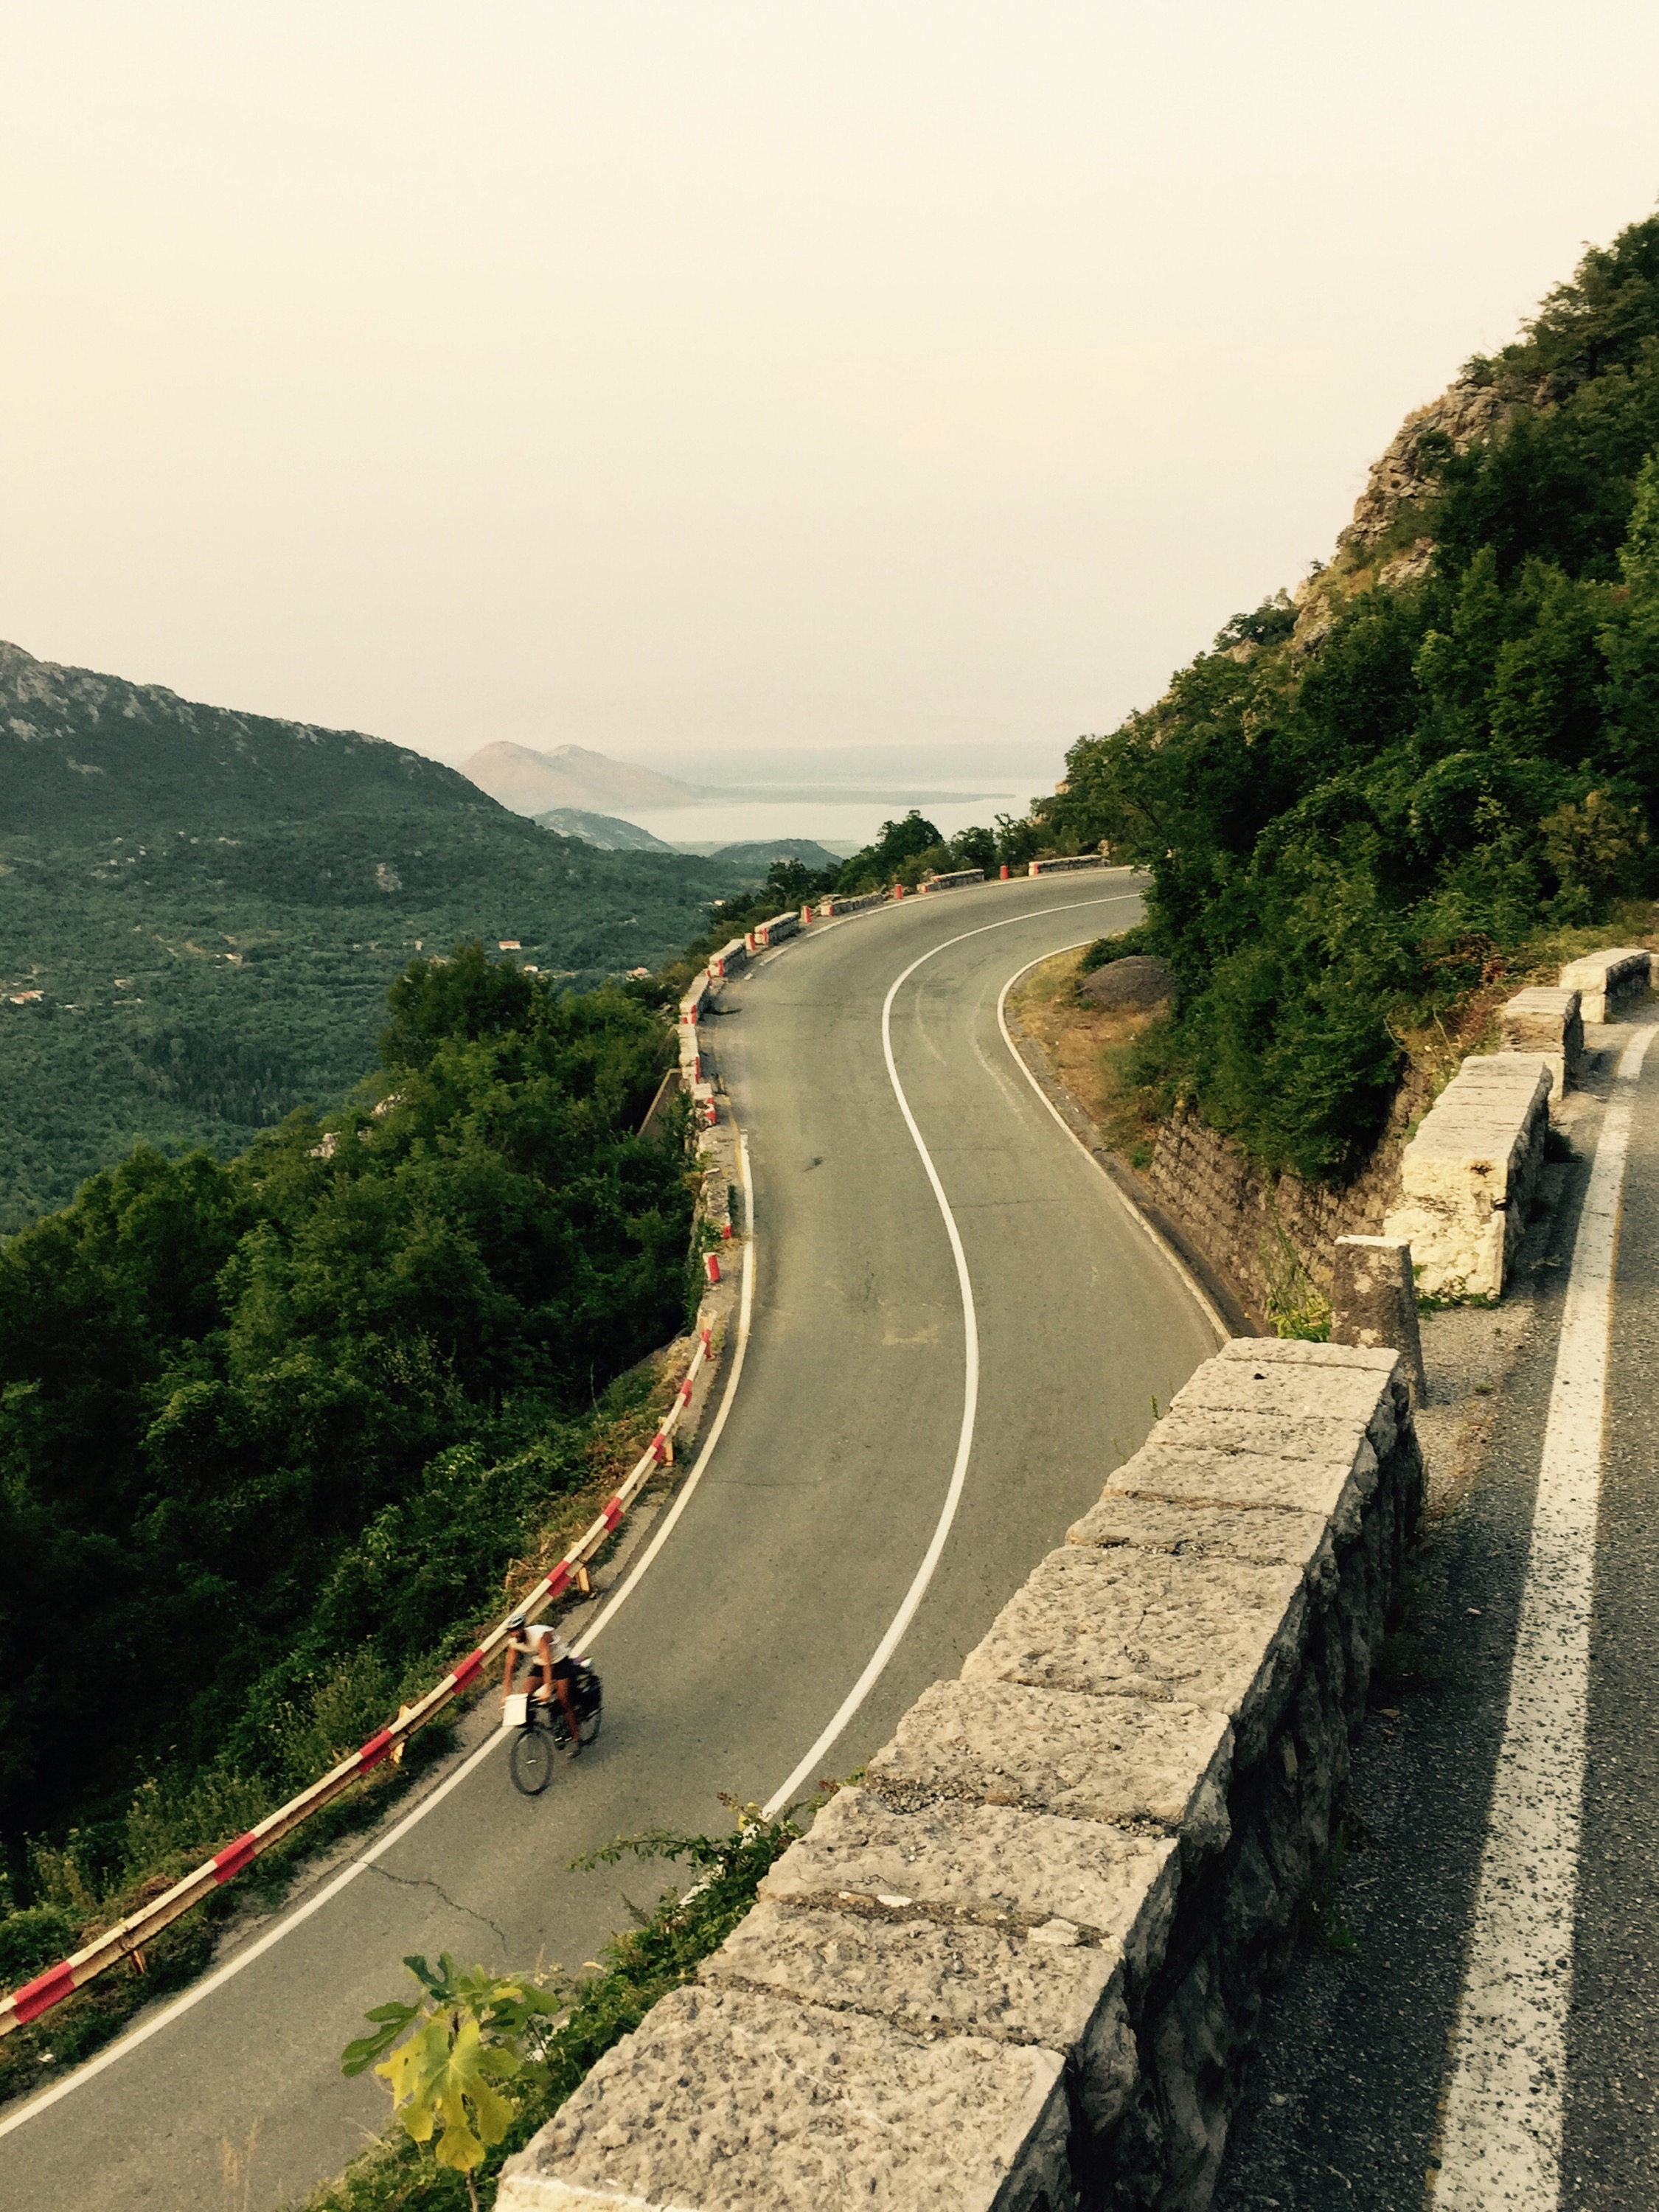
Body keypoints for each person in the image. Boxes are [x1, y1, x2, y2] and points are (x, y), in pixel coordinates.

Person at [502, 1608, 584, 1757]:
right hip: (540, 1664)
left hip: (559, 1662)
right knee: (523, 1695)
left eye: (518, 1629)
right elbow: (510, 1666)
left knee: (564, 1698)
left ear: (523, 1627)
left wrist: (547, 1687)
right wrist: (506, 1691)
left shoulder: (539, 1635)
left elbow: (548, 1661)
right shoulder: (514, 1643)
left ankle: (576, 1738)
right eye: (512, 1631)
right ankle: (540, 1725)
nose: (516, 1634)